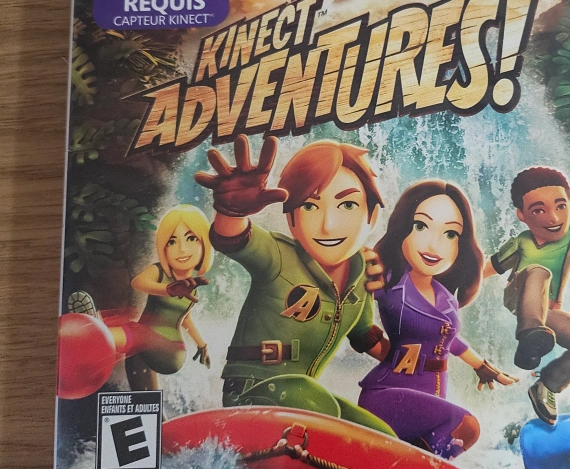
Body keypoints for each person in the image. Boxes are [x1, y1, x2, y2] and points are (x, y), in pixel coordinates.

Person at [194, 134, 395, 434]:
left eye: (348, 205)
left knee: (382, 435)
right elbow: (234, 238)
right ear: (291, 219)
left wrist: (412, 359)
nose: (328, 225)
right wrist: (231, 210)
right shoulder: (278, 255)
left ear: (372, 215)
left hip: (306, 398)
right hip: (251, 393)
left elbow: (364, 335)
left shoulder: (362, 272)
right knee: (320, 407)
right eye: (310, 207)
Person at [358, 181, 517, 458]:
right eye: (421, 226)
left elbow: (448, 338)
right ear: (403, 229)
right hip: (390, 392)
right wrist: (383, 349)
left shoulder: (445, 297)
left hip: (433, 390)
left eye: (450, 234)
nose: (434, 245)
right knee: (466, 427)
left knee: (432, 450)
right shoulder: (387, 282)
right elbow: (352, 313)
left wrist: (481, 366)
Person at [484, 146, 570, 425]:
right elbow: (488, 268)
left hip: (546, 312)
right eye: (538, 210)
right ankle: (529, 337)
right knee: (539, 272)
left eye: (560, 206)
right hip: (519, 298)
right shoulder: (522, 242)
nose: (553, 218)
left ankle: (547, 386)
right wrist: (449, 282)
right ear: (522, 215)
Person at [62, 205, 214, 394]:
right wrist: (168, 289)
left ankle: (98, 333)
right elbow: (139, 283)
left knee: (137, 331)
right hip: (143, 345)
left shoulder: (192, 291)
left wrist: (202, 344)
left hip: (171, 350)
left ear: (204, 245)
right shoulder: (158, 271)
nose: (182, 249)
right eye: (172, 241)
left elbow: (186, 318)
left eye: (191, 239)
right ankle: (154, 412)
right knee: (140, 382)